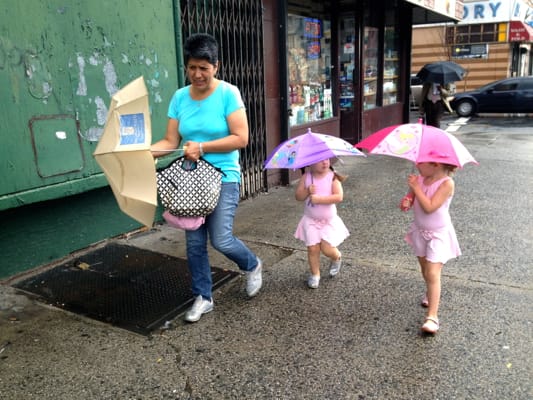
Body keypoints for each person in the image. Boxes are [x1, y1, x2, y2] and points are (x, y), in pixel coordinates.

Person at [151, 33, 262, 323]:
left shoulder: (228, 93)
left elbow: (242, 138)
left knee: (222, 240)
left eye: (204, 67)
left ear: (216, 66)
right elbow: (169, 140)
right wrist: (147, 152)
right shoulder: (179, 97)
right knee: (194, 244)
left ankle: (251, 264)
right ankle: (204, 296)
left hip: (223, 176)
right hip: (190, 180)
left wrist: (202, 147)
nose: (197, 74)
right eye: (192, 67)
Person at [399, 162, 461, 334]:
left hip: (438, 235)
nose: (416, 164)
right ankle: (430, 292)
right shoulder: (420, 179)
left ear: (436, 165)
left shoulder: (447, 183)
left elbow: (430, 207)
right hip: (420, 231)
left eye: (421, 162)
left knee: (433, 273)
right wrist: (407, 201)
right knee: (425, 270)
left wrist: (415, 188)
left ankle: (432, 317)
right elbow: (412, 198)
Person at [294, 159, 349, 289]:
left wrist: (319, 199)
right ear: (310, 162)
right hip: (311, 221)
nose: (325, 162)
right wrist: (307, 191)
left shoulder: (332, 177)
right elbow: (298, 196)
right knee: (312, 248)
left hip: (328, 222)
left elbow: (339, 197)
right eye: (320, 160)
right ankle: (315, 274)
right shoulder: (306, 177)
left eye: (327, 159)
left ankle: (336, 257)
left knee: (327, 249)